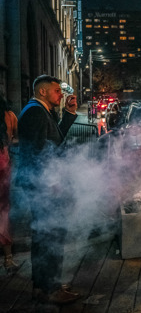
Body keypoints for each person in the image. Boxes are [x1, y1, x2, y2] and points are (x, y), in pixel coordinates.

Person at [17, 75, 79, 304]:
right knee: (50, 236)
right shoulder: (34, 112)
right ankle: (49, 289)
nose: (61, 95)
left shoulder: (41, 110)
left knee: (46, 236)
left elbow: (54, 141)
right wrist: (51, 183)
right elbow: (38, 155)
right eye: (57, 91)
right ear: (43, 92)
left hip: (44, 185)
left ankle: (44, 285)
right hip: (44, 186)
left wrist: (69, 115)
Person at [0, 95, 20, 275]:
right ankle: (8, 259)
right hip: (3, 164)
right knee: (4, 212)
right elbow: (15, 139)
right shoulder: (10, 116)